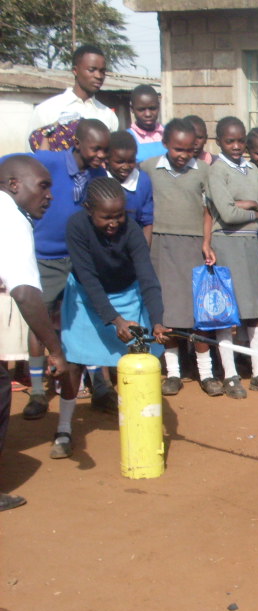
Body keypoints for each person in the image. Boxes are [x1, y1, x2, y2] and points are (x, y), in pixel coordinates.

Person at [51, 178, 170, 459]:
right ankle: (64, 429)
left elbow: (148, 278)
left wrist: (157, 322)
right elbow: (89, 279)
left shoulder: (133, 230)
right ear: (89, 209)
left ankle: (142, 421)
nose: (114, 222)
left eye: (119, 215)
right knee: (74, 362)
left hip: (127, 294)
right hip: (85, 296)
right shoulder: (76, 227)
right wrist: (115, 321)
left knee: (143, 355)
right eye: (106, 217)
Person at [23, 118, 109, 420]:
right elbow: (10, 170)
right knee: (39, 320)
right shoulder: (48, 162)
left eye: (104, 150)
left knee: (90, 316)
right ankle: (36, 390)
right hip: (45, 256)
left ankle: (100, 385)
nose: (101, 155)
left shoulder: (100, 174)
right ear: (78, 144)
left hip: (80, 258)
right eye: (95, 149)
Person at [0, 155, 68, 510]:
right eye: (42, 186)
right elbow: (26, 294)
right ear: (14, 185)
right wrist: (55, 350)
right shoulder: (12, 220)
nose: (50, 196)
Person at [140, 118, 218, 396]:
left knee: (199, 314)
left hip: (194, 246)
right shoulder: (148, 168)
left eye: (189, 150)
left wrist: (207, 243)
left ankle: (206, 373)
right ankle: (173, 373)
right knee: (169, 312)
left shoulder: (204, 171)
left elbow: (209, 211)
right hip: (161, 246)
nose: (183, 156)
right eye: (177, 150)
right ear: (165, 145)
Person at [206, 116, 258, 397]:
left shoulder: (253, 171)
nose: (236, 146)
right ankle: (231, 374)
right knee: (227, 313)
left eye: (240, 141)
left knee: (256, 311)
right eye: (230, 141)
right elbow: (226, 214)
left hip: (250, 245)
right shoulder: (217, 171)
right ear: (219, 142)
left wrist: (252, 205)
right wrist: (257, 213)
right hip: (225, 243)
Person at [28, 44, 119, 146]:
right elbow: (32, 154)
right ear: (75, 70)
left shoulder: (108, 115)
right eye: (91, 70)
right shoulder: (47, 110)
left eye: (102, 71)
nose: (98, 76)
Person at [106, 130, 154, 244]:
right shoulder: (98, 178)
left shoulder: (143, 181)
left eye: (131, 161)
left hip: (133, 244)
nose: (126, 166)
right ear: (107, 159)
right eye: (120, 162)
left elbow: (147, 222)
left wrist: (143, 253)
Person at [127, 84, 165, 163]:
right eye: (141, 109)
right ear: (132, 109)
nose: (148, 114)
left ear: (158, 106)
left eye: (152, 108)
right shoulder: (126, 139)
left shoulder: (169, 133)